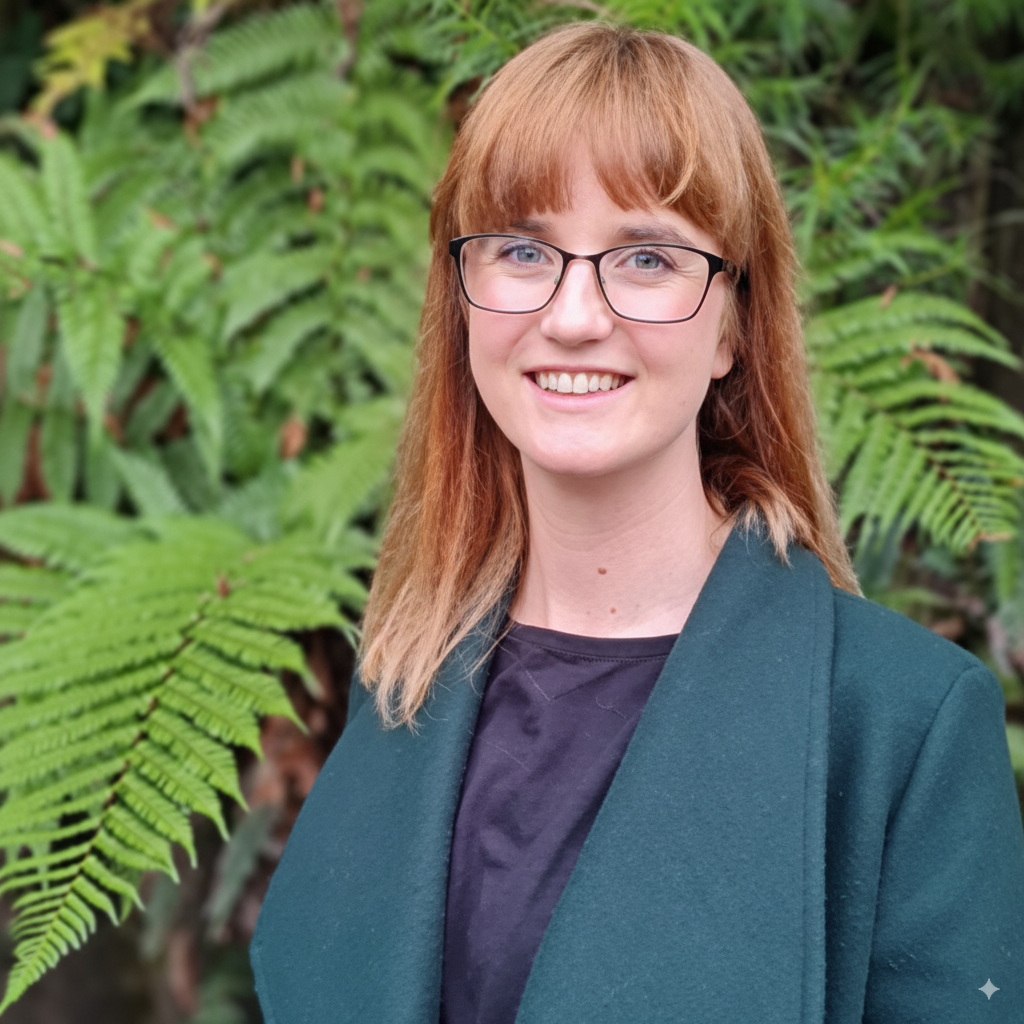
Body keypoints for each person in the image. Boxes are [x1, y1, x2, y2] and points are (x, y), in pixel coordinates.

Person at [249, 22, 1024, 1024]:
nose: (573, 315)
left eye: (646, 258)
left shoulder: (897, 725)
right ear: (463, 297)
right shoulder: (405, 675)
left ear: (733, 324)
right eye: (523, 249)